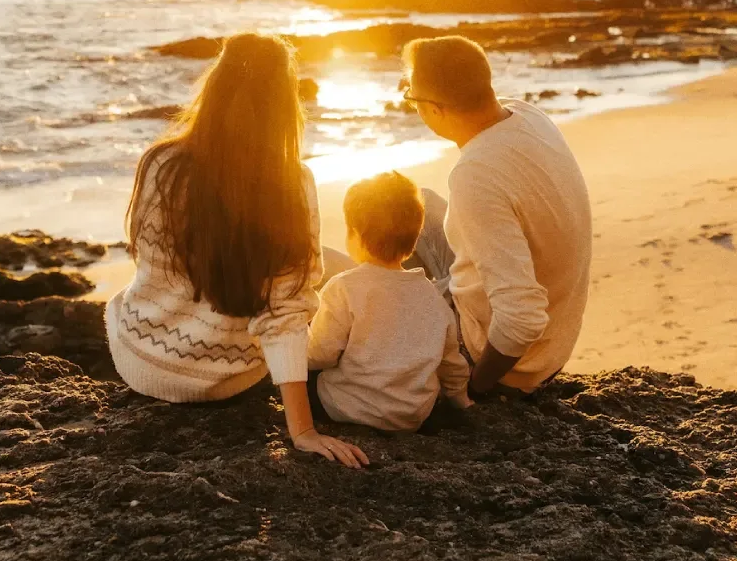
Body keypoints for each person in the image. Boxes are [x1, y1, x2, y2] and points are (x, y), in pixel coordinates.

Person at [104, 33, 369, 468]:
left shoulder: (160, 164)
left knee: (122, 299)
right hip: (227, 378)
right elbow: (284, 315)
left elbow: (149, 264)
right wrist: (301, 429)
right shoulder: (292, 183)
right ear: (284, 104)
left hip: (142, 362)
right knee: (323, 275)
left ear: (215, 85)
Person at [400, 35, 592, 396]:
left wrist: (476, 388)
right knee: (416, 203)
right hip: (556, 341)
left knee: (350, 285)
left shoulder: (476, 175)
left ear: (436, 109)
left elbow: (522, 317)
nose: (411, 105)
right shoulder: (526, 115)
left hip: (510, 362)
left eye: (410, 97)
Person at [306, 170, 472, 432]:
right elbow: (450, 362)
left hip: (348, 409)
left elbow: (319, 355)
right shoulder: (433, 298)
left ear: (355, 234)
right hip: (413, 415)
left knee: (305, 374)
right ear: (415, 238)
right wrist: (460, 399)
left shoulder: (342, 288)